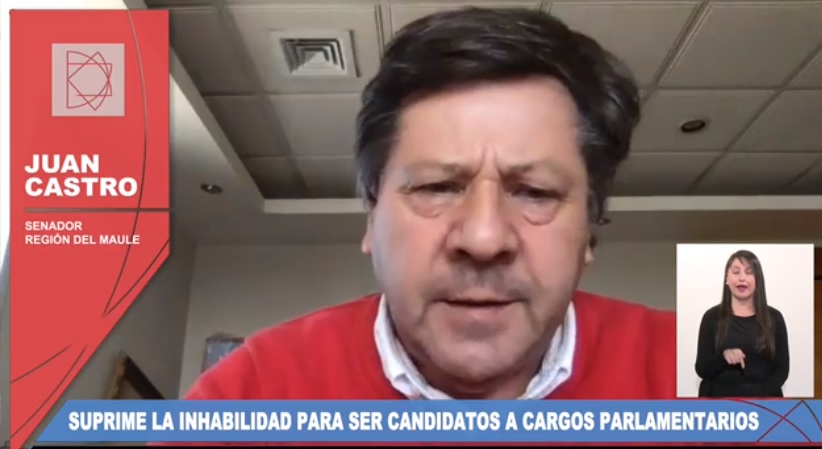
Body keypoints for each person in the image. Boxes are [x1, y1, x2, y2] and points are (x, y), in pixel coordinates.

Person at [185, 7, 676, 403]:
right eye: (437, 187)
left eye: (536, 192)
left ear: (589, 226)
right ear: (372, 214)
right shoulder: (249, 393)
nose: (483, 239)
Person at [694, 250, 790, 398]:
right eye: (736, 272)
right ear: (727, 279)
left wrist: (756, 399)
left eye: (749, 272)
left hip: (763, 403)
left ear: (758, 279)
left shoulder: (774, 318)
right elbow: (701, 368)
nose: (742, 278)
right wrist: (723, 357)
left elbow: (782, 370)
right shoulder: (712, 317)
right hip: (719, 404)